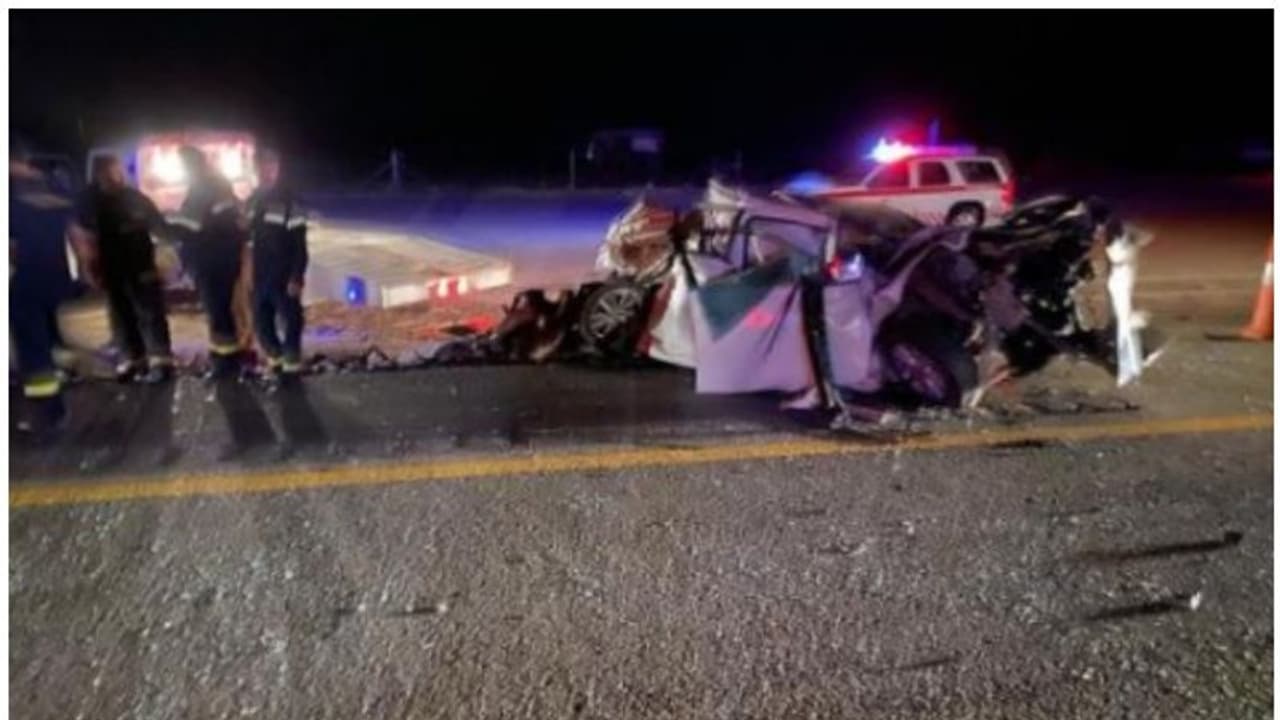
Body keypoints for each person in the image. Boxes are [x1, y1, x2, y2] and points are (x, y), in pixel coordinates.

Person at [69, 154, 175, 382]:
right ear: (98, 173)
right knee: (121, 313)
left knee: (149, 311)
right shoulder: (89, 200)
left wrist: (164, 259)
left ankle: (160, 362)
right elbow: (81, 234)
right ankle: (133, 361)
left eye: (117, 171)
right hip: (111, 265)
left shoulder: (134, 198)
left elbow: (160, 230)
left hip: (140, 263)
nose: (116, 176)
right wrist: (87, 265)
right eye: (110, 171)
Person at [9, 140, 78, 432]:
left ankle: (48, 414)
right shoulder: (54, 186)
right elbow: (74, 230)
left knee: (32, 348)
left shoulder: (12, 193)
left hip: (27, 278)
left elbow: (12, 246)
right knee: (47, 340)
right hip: (55, 275)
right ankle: (56, 390)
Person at [171, 146, 247, 378]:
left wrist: (161, 226)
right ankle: (225, 358)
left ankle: (226, 364)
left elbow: (188, 228)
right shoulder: (220, 186)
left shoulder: (201, 190)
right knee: (222, 310)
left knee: (217, 311)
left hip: (211, 260)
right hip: (226, 258)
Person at [245, 147, 308, 376]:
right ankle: (276, 359)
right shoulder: (251, 201)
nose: (264, 172)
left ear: (277, 168)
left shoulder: (290, 201)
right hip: (259, 273)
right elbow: (245, 237)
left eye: (269, 166)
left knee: (291, 318)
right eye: (259, 167)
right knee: (261, 321)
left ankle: (292, 361)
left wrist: (296, 276)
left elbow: (300, 245)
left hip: (282, 273)